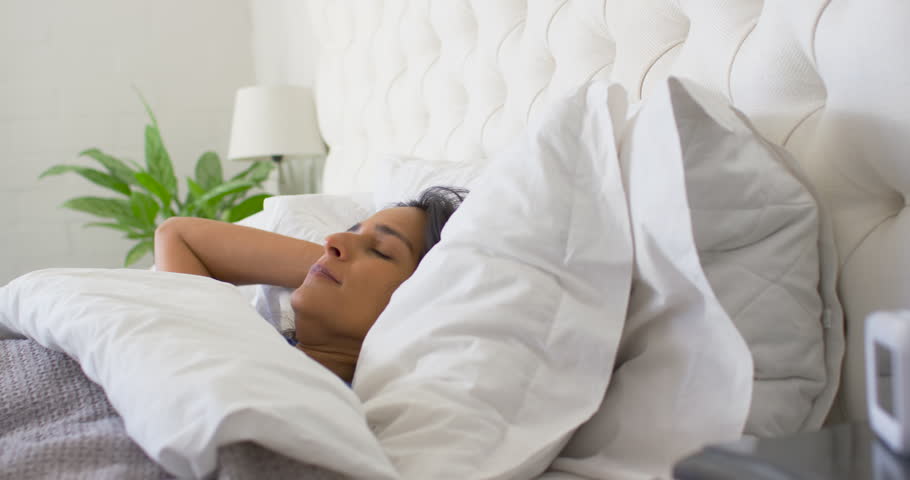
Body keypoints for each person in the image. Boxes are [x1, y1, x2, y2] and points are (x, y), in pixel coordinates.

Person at [154, 186, 467, 383]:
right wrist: (330, 267)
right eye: (350, 231)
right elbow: (178, 235)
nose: (331, 240)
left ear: (420, 299)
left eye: (380, 250)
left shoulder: (349, 411)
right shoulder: (241, 338)